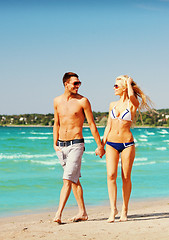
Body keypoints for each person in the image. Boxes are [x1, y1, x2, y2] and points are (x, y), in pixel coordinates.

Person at [53, 72, 105, 224]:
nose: (78, 86)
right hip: (61, 146)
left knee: (67, 179)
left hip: (76, 144)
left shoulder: (83, 101)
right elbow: (56, 123)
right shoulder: (57, 101)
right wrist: (54, 143)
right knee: (74, 180)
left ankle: (58, 214)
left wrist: (99, 145)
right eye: (75, 83)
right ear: (66, 84)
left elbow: (91, 124)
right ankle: (83, 212)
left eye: (79, 83)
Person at [102, 75, 154, 223]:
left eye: (116, 85)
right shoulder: (112, 104)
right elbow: (108, 125)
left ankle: (124, 209)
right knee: (111, 176)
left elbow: (131, 96)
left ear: (125, 87)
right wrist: (101, 144)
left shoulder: (133, 104)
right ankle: (113, 209)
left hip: (127, 144)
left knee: (126, 177)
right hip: (111, 143)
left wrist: (129, 82)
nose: (114, 88)